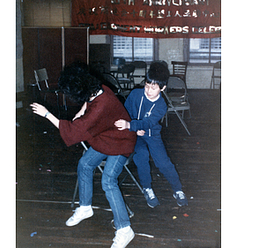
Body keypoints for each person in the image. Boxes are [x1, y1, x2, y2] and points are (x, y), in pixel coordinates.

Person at [30, 62, 136, 248]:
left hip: (121, 141)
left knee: (108, 181)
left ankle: (125, 229)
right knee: (84, 164)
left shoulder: (101, 108)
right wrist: (81, 110)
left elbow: (74, 131)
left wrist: (47, 114)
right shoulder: (100, 88)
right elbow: (89, 101)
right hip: (106, 137)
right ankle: (85, 208)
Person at [115, 61, 188, 208]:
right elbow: (125, 113)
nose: (148, 91)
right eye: (147, 85)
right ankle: (147, 188)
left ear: (163, 88)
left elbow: (148, 123)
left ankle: (177, 189)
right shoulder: (136, 94)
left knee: (163, 163)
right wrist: (133, 128)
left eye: (153, 88)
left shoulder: (161, 105)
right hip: (134, 134)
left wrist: (131, 125)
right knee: (141, 156)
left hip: (151, 134)